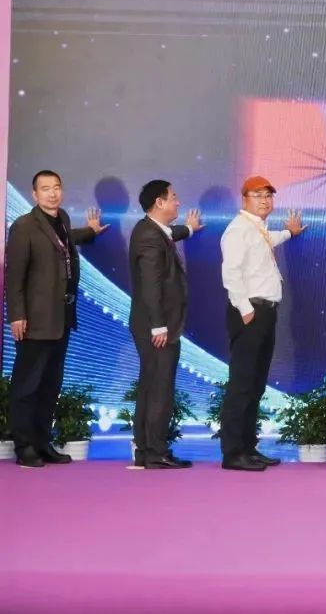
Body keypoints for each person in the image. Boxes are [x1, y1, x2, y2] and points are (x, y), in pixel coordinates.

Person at [7, 170, 108, 468]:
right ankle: (24, 447)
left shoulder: (61, 218)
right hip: (34, 320)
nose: (52, 193)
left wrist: (89, 232)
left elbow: (63, 242)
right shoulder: (23, 226)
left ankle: (42, 443)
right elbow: (14, 276)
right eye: (45, 188)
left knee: (50, 386)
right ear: (34, 194)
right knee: (27, 386)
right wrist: (17, 315)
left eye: (57, 187)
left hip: (61, 317)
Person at [219, 176, 306, 471]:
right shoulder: (238, 230)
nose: (265, 201)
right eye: (258, 195)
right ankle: (233, 453)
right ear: (244, 199)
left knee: (256, 383)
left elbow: (269, 240)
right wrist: (245, 310)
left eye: (268, 196)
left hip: (265, 312)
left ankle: (248, 447)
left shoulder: (257, 228)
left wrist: (289, 233)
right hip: (250, 312)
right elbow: (231, 274)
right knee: (242, 383)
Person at [128, 180, 204, 469]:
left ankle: (146, 450)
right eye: (173, 197)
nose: (178, 202)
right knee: (159, 388)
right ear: (159, 203)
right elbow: (151, 284)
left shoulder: (151, 230)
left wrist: (190, 229)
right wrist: (159, 325)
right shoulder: (150, 236)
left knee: (151, 386)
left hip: (152, 325)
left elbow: (172, 233)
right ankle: (155, 452)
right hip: (156, 327)